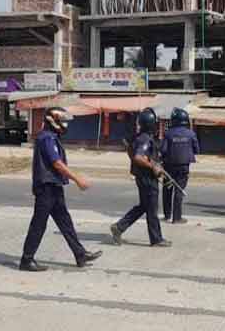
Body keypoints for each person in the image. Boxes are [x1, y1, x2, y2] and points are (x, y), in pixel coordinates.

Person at [19, 107, 102, 271]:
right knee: (39, 224)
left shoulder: (51, 137)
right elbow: (56, 163)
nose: (65, 126)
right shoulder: (47, 138)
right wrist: (77, 179)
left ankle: (80, 254)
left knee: (65, 222)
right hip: (46, 187)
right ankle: (26, 260)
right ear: (53, 122)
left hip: (54, 185)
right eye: (62, 122)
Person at [110, 108, 172, 247]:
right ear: (151, 124)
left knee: (144, 206)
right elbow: (138, 157)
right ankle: (156, 239)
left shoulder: (139, 137)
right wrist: (153, 166)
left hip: (143, 176)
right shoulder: (144, 139)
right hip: (147, 178)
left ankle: (119, 227)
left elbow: (132, 154)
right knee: (152, 209)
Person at [160, 108, 200, 224]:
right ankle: (177, 218)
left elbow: (163, 150)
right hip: (183, 167)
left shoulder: (168, 133)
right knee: (179, 190)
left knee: (167, 190)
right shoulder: (191, 134)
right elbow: (197, 150)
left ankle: (167, 215)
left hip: (168, 167)